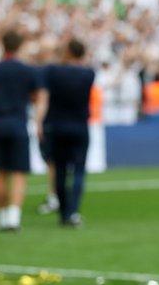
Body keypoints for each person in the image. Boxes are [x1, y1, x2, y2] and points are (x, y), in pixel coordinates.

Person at [0, 30, 44, 231]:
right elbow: (36, 96)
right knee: (18, 172)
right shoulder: (27, 70)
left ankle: (1, 215)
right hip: (18, 123)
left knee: (0, 171)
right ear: (20, 46)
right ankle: (13, 217)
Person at [40, 39, 95, 226]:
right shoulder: (88, 73)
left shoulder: (52, 71)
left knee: (60, 172)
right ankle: (73, 211)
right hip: (80, 126)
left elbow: (45, 94)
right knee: (79, 170)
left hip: (57, 127)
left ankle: (63, 213)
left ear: (69, 51)